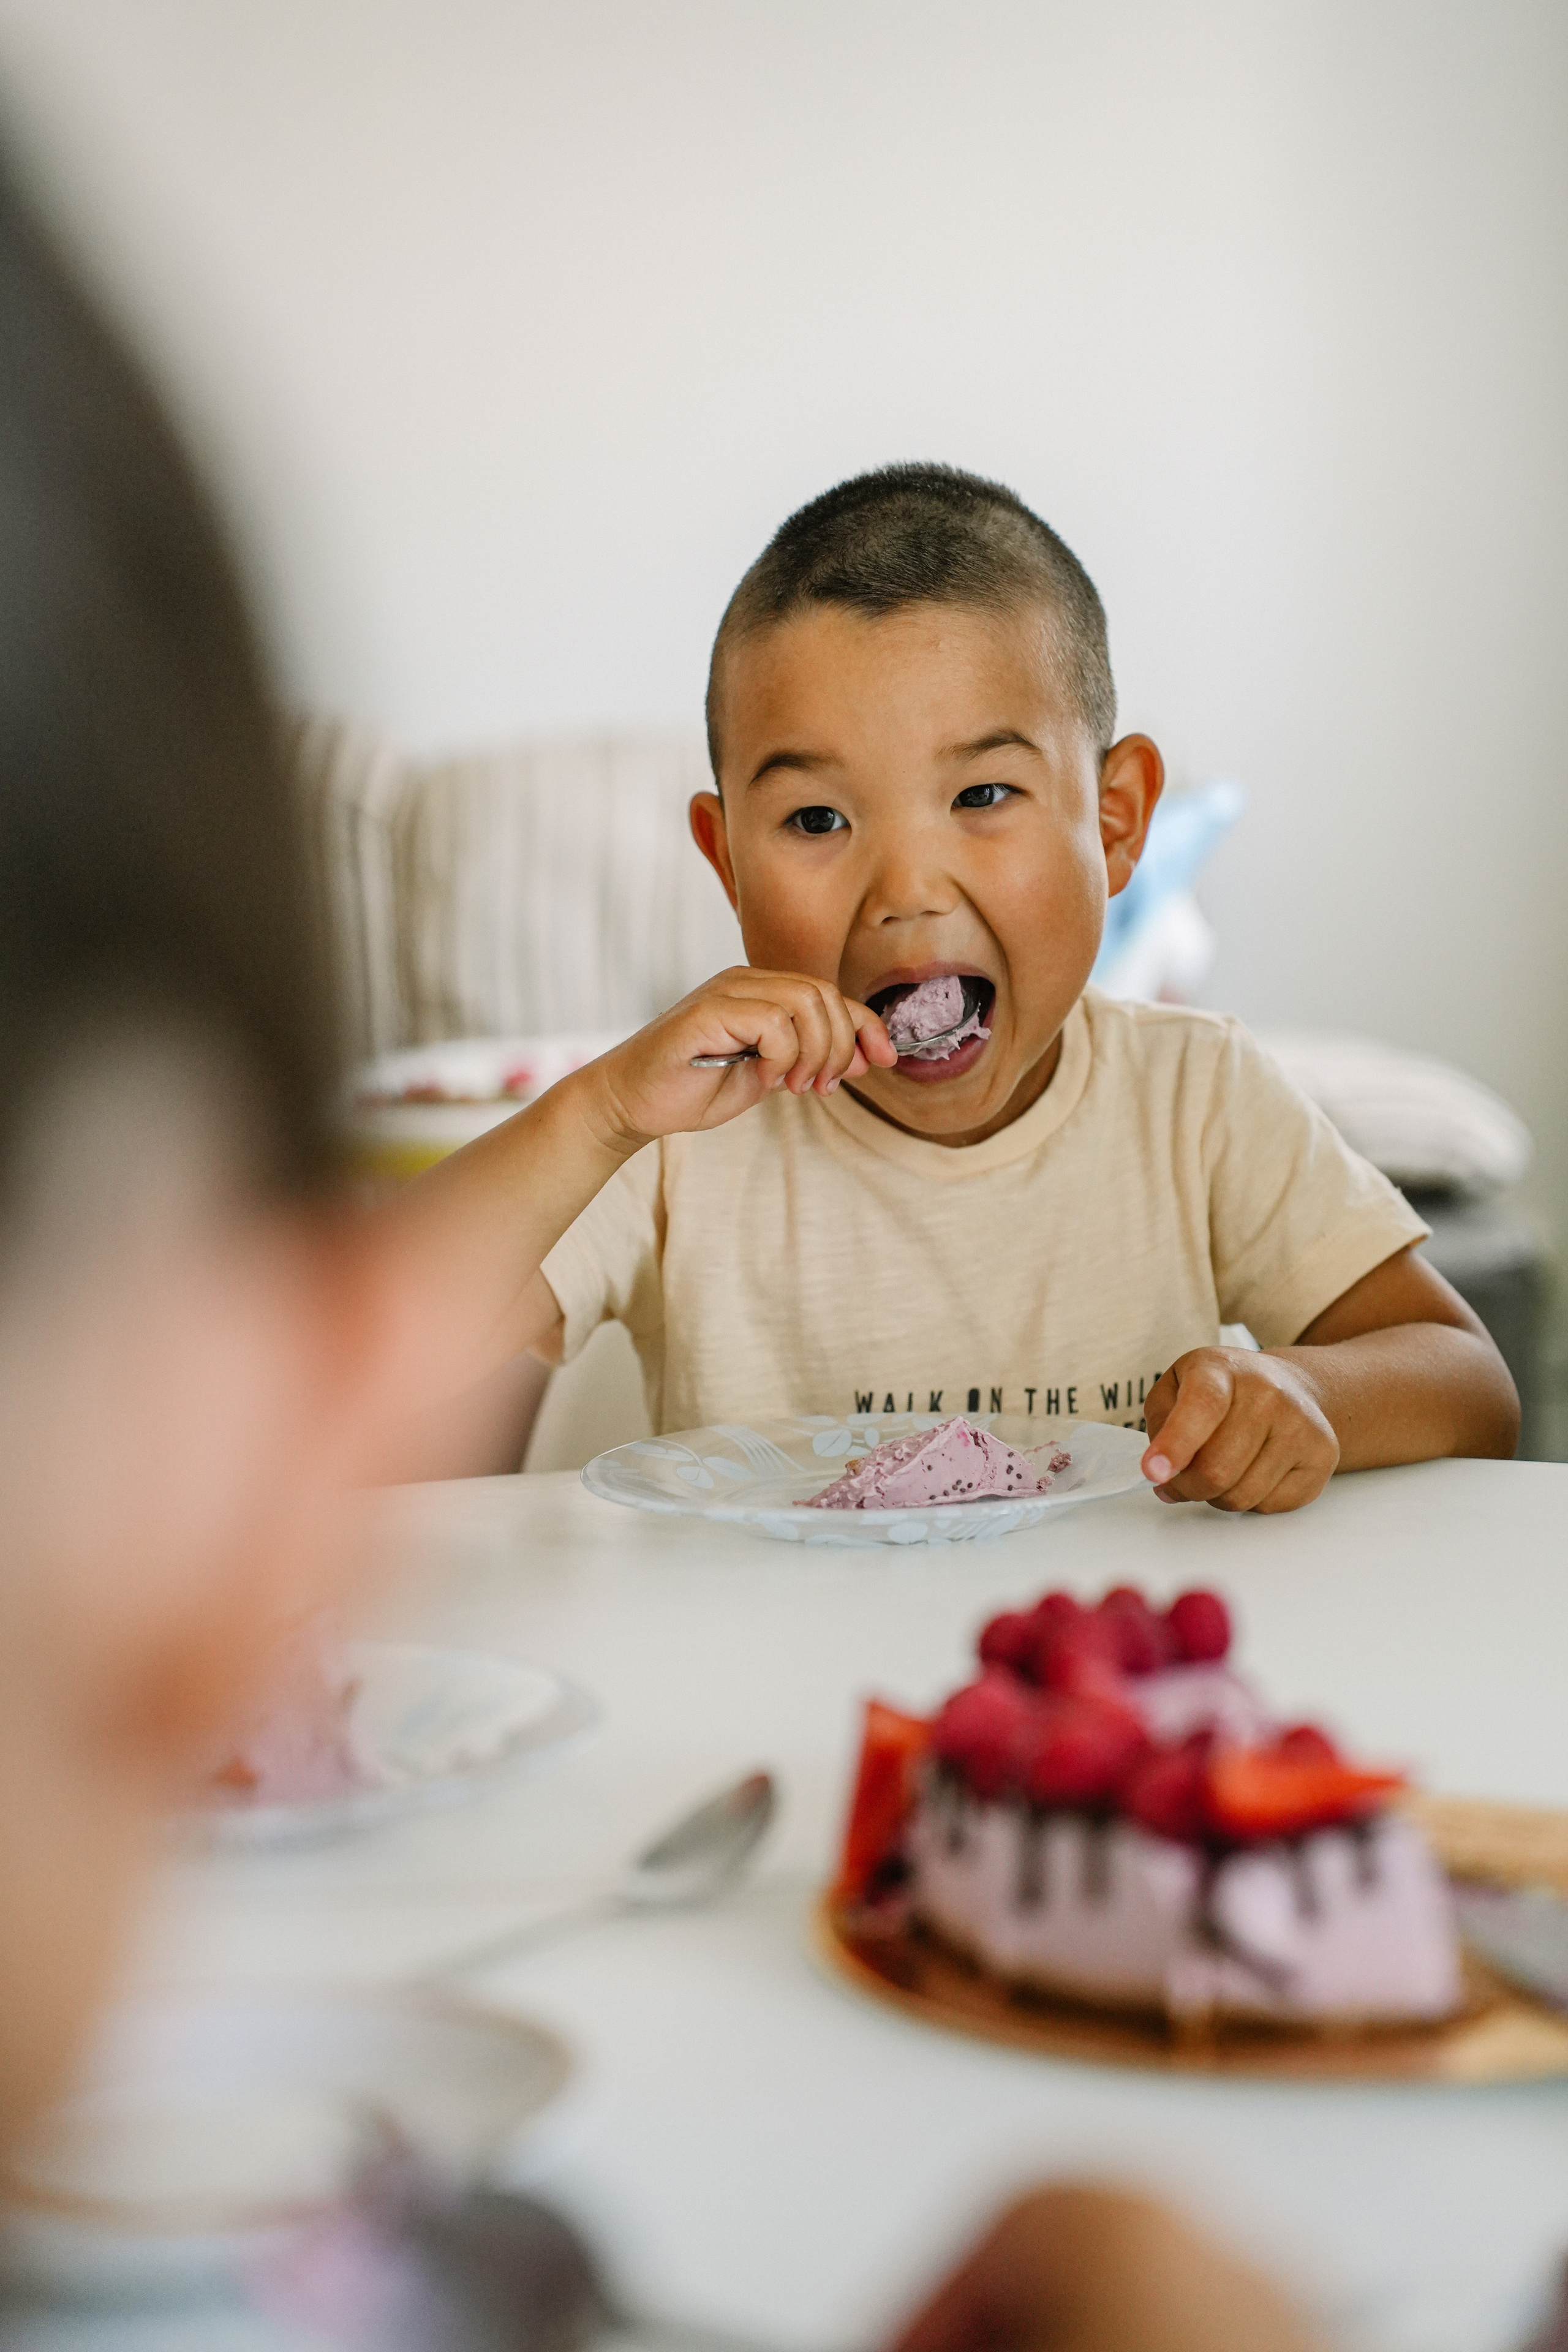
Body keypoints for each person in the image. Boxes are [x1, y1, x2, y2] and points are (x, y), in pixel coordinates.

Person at [399, 464, 1517, 1513]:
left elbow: (1473, 1386)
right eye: (819, 820)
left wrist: (1311, 1394)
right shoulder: (677, 1141)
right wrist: (600, 1113)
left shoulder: (1196, 1100)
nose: (907, 890)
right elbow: (383, 1342)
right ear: (728, 859)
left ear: (1116, 821)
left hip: (1100, 1692)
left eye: (983, 793)